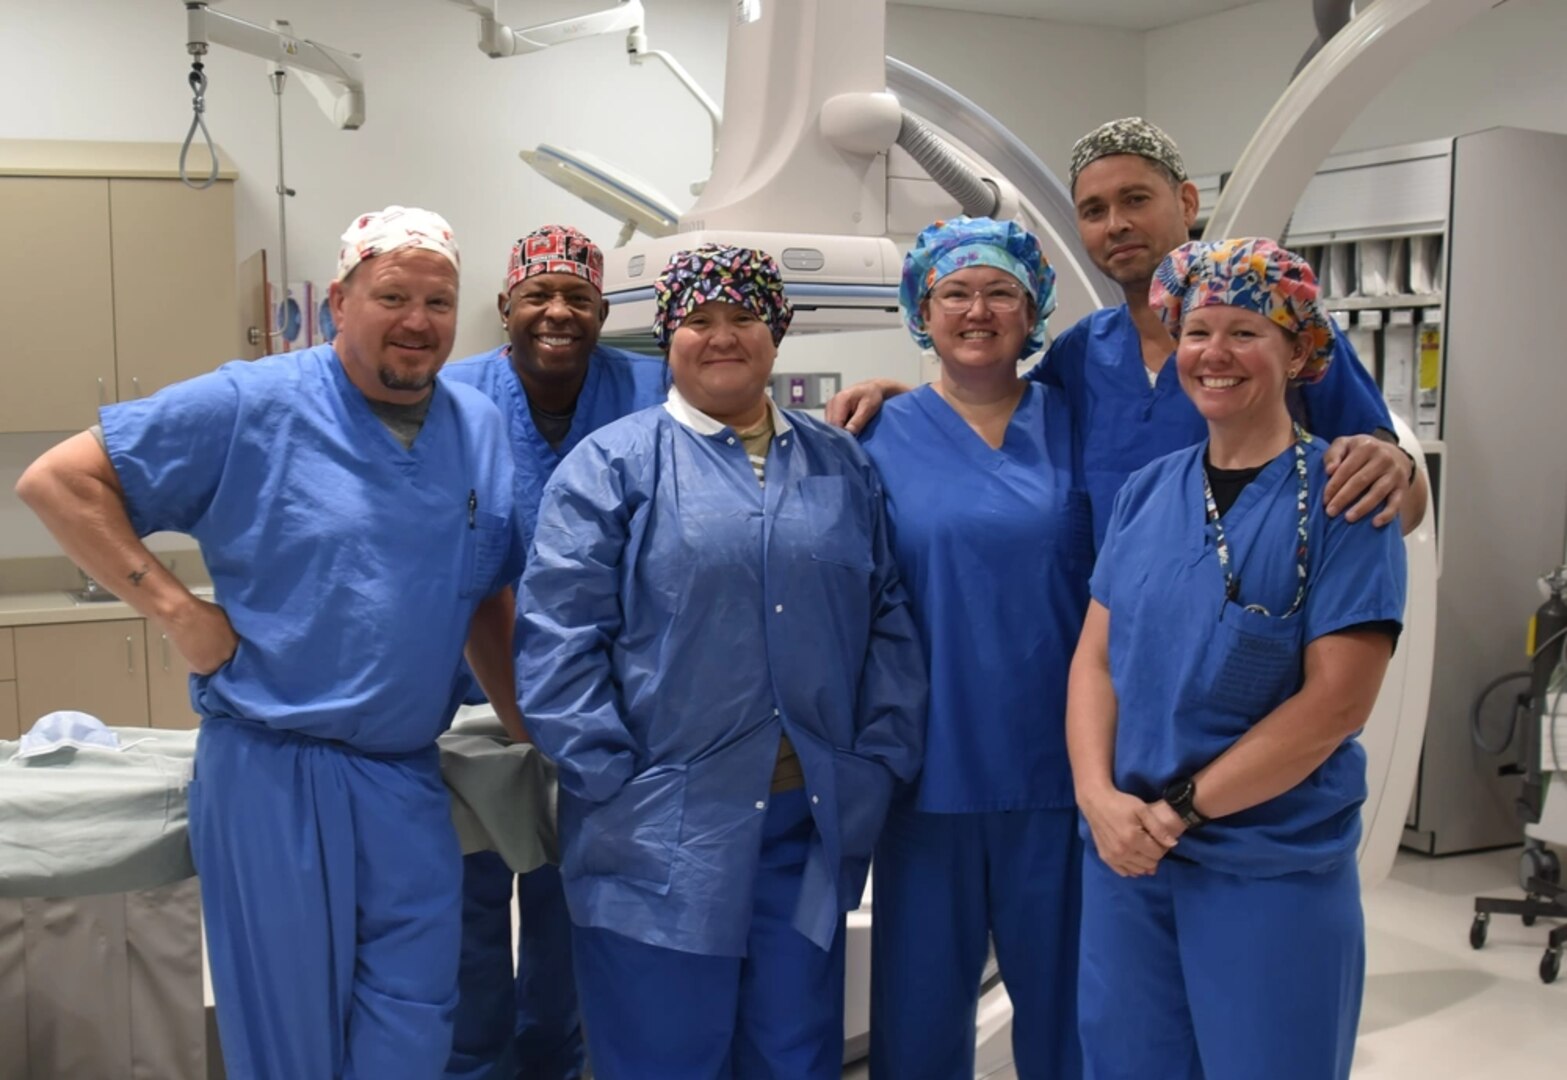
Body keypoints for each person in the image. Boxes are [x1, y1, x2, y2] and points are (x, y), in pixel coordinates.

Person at [15, 207, 527, 1079]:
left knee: (416, 1020)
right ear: (339, 301)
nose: (417, 320)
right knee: (293, 1040)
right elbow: (59, 480)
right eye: (392, 295)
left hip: (405, 772)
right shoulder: (253, 402)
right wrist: (180, 613)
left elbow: (484, 594)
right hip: (274, 770)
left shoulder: (476, 426)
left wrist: (527, 730)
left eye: (438, 301)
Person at [517, 244, 927, 1079]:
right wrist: (614, 781)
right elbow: (558, 639)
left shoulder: (838, 464)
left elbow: (887, 620)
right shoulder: (611, 466)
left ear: (776, 335)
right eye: (698, 320)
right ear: (667, 337)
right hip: (657, 831)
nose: (721, 336)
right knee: (662, 1056)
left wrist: (877, 762)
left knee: (792, 1053)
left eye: (743, 318)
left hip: (804, 825)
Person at [1065, 238, 1406, 1079]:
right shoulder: (1148, 490)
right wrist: (1097, 798)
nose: (1214, 354)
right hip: (1127, 862)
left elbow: (1335, 704)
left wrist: (1179, 810)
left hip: (1266, 870)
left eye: (1246, 331)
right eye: (1195, 330)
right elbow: (1094, 663)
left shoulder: (1343, 496)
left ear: (1298, 351)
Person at [829, 117, 1429, 542]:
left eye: (1135, 199)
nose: (1116, 225)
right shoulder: (1084, 352)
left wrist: (1396, 468)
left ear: (1187, 202)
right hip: (1110, 646)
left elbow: (1397, 495)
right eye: (1094, 211)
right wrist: (906, 401)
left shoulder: (1277, 334)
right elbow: (999, 413)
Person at [859, 217, 1091, 1079]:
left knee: (1067, 1018)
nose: (977, 309)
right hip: (926, 775)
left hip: (1063, 775)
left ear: (1033, 312)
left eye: (1000, 291)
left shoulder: (1081, 426)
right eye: (954, 291)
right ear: (923, 309)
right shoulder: (873, 436)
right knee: (917, 1028)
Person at [440, 224, 667, 1080]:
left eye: (578, 297)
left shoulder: (652, 387)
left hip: (602, 704)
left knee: (568, 905)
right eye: (538, 295)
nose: (557, 312)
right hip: (464, 697)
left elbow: (752, 419)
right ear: (504, 308)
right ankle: (473, 1067)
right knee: (467, 900)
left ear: (604, 312)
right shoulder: (454, 397)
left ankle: (553, 1063)